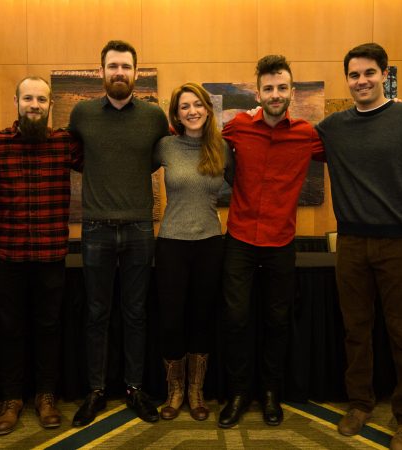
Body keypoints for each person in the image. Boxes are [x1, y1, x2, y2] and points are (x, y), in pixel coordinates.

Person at [218, 55, 324, 429]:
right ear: (258, 92)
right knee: (236, 320)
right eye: (268, 88)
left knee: (278, 321)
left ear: (292, 92)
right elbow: (196, 135)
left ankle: (270, 393)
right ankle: (237, 393)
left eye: (282, 88)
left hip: (281, 240)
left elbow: (348, 149)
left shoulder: (308, 135)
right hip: (241, 238)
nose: (275, 94)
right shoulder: (238, 127)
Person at [69, 40, 169, 427]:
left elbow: (175, 151)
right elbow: (71, 154)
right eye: (112, 67)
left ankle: (134, 388)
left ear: (136, 73)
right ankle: (95, 390)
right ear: (101, 73)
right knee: (96, 313)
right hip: (95, 229)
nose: (119, 73)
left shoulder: (154, 117)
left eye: (126, 67)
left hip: (141, 228)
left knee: (136, 313)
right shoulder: (81, 114)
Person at [316, 43, 402, 450]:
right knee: (356, 329)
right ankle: (360, 403)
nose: (361, 81)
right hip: (350, 242)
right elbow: (291, 135)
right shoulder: (334, 127)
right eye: (354, 75)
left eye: (369, 73)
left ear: (384, 75)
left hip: (400, 242)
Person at [0, 76, 83, 435]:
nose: (35, 105)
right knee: (9, 330)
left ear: (50, 105)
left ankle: (45, 396)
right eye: (28, 98)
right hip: (8, 254)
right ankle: (11, 400)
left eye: (41, 99)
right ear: (16, 101)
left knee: (48, 328)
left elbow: (102, 161)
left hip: (50, 255)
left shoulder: (64, 144)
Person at [153, 83, 233, 421]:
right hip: (171, 242)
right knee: (171, 320)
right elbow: (131, 169)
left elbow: (247, 184)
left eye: (197, 104)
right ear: (176, 113)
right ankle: (175, 391)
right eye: (184, 106)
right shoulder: (165, 147)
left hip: (210, 243)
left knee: (202, 318)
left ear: (207, 109)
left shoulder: (222, 147)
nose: (192, 111)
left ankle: (197, 391)